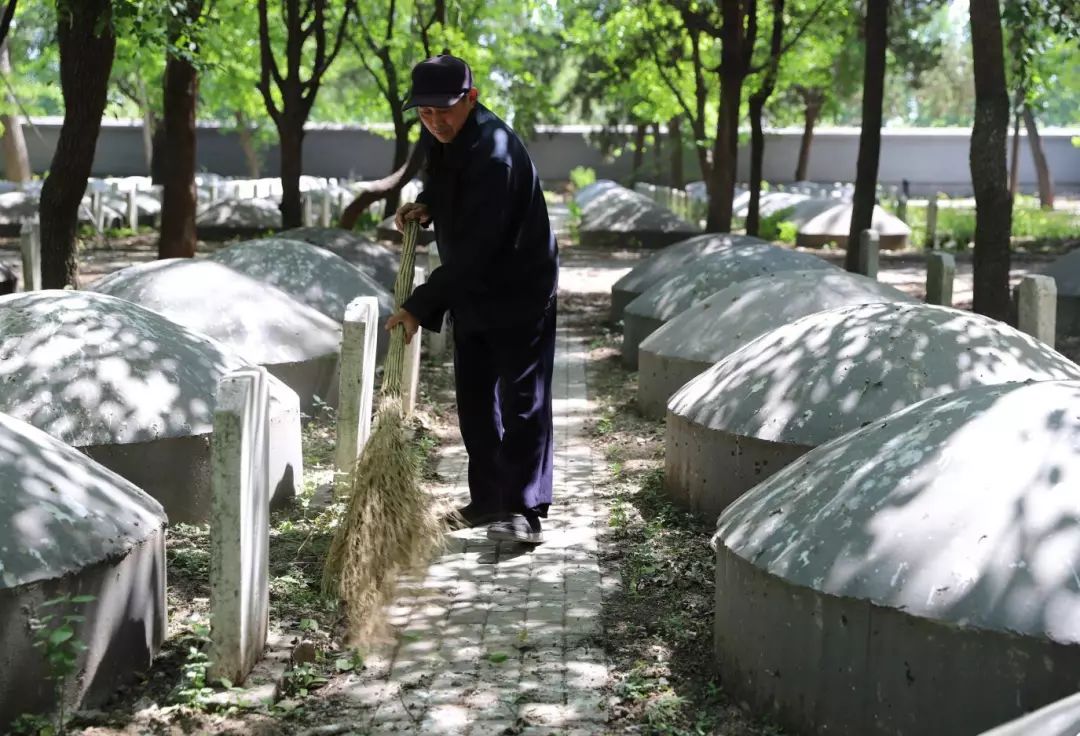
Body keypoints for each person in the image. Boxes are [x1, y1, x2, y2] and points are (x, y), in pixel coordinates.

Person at [385, 54, 559, 545]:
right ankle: (486, 500)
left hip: (519, 289)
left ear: (472, 98)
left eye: (445, 110)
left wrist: (419, 305)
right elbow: (445, 183)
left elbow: (482, 249)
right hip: (473, 290)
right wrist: (429, 205)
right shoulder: (444, 135)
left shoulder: (496, 154)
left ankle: (522, 509)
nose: (435, 121)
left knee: (522, 401)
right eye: (424, 113)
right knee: (476, 403)